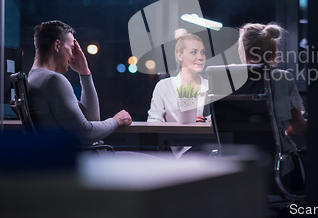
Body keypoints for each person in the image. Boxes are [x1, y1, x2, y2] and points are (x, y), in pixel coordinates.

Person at [28, 20, 132, 147]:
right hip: (75, 160)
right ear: (57, 45)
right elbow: (86, 133)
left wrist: (84, 72)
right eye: (72, 48)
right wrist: (116, 121)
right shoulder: (53, 80)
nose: (72, 56)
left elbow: (91, 119)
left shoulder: (34, 78)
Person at [238, 22, 307, 186]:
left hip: (234, 163)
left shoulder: (227, 79)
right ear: (272, 51)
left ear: (245, 52)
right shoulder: (281, 78)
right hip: (276, 163)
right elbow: (298, 127)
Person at [147, 29, 208, 159]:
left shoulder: (211, 86)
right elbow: (153, 122)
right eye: (193, 52)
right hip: (174, 152)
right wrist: (182, 124)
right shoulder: (164, 86)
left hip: (205, 151)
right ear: (179, 56)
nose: (200, 57)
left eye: (203, 52)